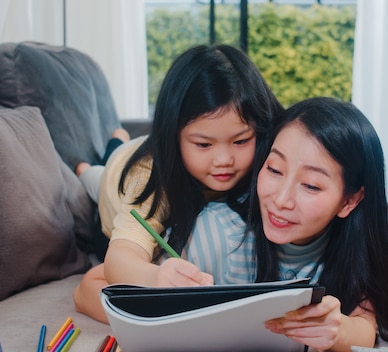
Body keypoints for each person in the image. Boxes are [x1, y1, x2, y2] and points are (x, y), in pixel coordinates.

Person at [72, 43, 283, 322]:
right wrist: (156, 276)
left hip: (137, 153)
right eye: (204, 144)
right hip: (117, 176)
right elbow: (120, 258)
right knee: (94, 175)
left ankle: (116, 140)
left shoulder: (270, 153)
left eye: (241, 141)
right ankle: (93, 161)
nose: (224, 160)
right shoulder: (148, 176)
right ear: (173, 136)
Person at [246, 97, 388, 351]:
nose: (282, 199)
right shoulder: (218, 233)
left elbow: (366, 327)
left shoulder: (357, 256)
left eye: (311, 185)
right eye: (274, 169)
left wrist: (338, 330)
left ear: (349, 201)